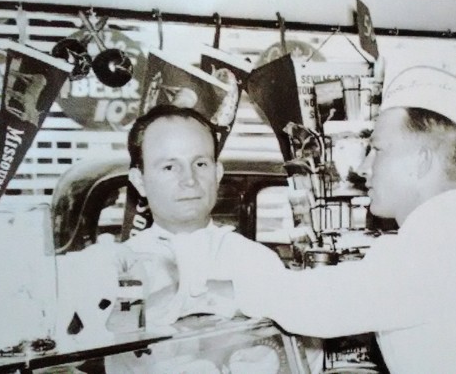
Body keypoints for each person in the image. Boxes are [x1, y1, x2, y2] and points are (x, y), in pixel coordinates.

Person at [218, 67, 456, 373]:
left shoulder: (430, 248)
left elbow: (315, 306)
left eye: (378, 150)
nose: (363, 166)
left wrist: (219, 273)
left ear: (421, 162)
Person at [105, 104, 321, 373]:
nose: (189, 180)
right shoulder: (114, 269)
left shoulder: (256, 261)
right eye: (169, 167)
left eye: (200, 164)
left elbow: (304, 355)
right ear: (139, 180)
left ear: (217, 173)